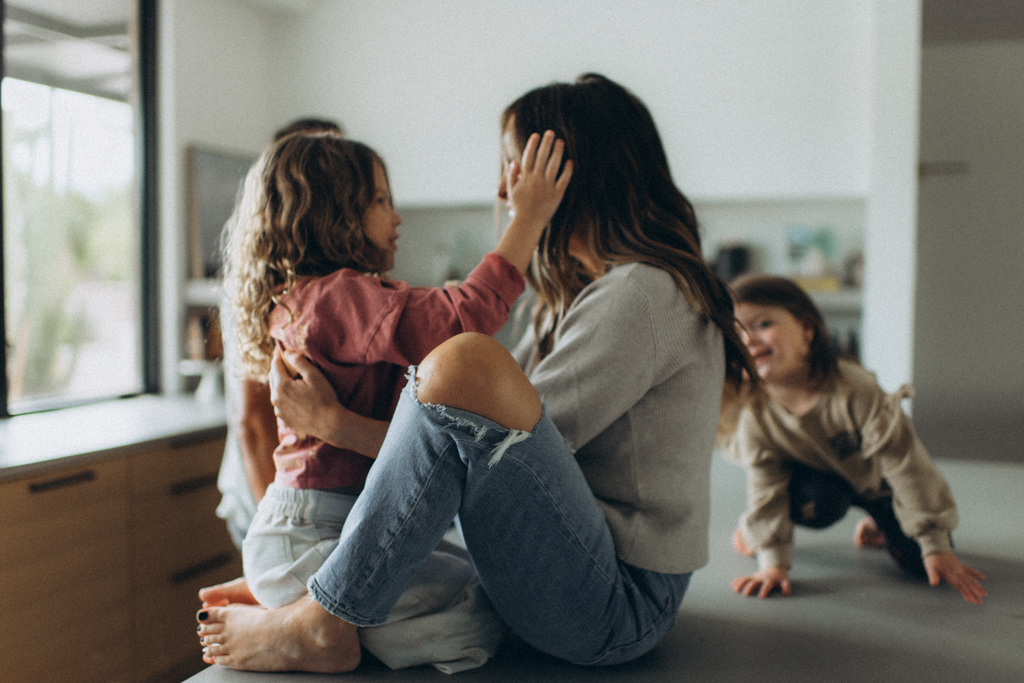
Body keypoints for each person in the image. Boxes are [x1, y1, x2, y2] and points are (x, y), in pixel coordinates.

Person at [196, 73, 752, 673]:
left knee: (464, 363)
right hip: (588, 575)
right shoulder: (591, 297)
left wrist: (338, 425)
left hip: (617, 604)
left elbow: (485, 453)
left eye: (515, 171)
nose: (502, 190)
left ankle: (323, 618)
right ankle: (320, 594)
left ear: (567, 182)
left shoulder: (643, 292)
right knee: (461, 376)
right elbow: (483, 460)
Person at [215, 126, 571, 672]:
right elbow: (464, 318)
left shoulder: (317, 298)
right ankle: (293, 625)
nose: (396, 217)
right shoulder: (338, 298)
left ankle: (298, 608)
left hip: (325, 525)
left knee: (485, 591)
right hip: (314, 530)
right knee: (485, 615)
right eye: (381, 201)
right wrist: (529, 217)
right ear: (336, 213)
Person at [722, 273, 987, 604]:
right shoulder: (756, 413)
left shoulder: (854, 390)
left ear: (807, 330)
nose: (749, 340)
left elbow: (905, 463)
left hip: (878, 483)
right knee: (816, 504)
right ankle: (752, 531)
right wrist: (772, 563)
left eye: (762, 324)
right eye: (738, 332)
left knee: (923, 565)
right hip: (820, 486)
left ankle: (880, 519)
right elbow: (765, 487)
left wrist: (934, 543)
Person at [215, 117, 343, 549]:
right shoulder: (257, 284)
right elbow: (252, 419)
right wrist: (280, 536)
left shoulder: (325, 272)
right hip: (265, 500)